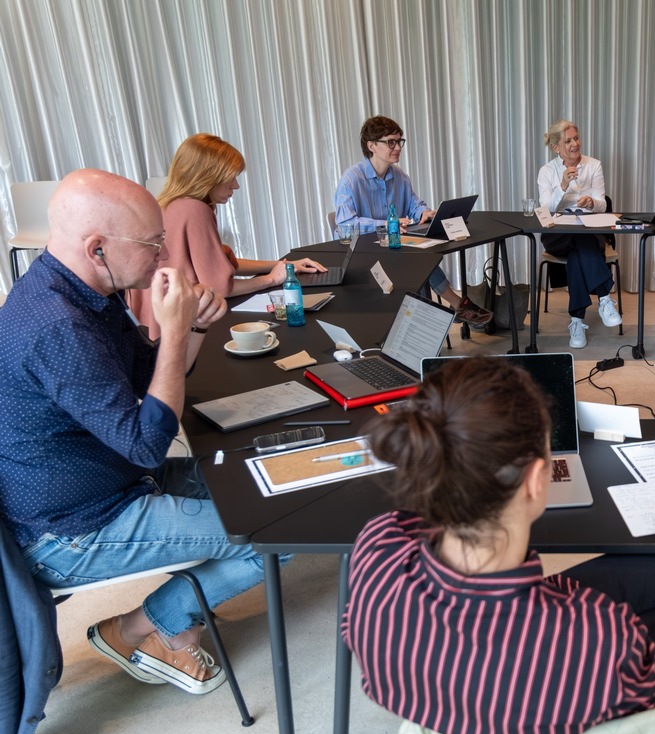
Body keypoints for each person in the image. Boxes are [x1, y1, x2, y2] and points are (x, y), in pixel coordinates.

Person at [343, 357, 655, 734]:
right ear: (536, 480)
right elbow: (640, 694)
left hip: (454, 691)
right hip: (558, 730)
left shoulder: (377, 548)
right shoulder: (599, 640)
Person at [0, 169, 276, 695]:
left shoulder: (86, 291)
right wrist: (174, 330)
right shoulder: (56, 325)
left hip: (112, 483)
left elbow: (151, 377)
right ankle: (141, 629)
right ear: (97, 248)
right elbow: (149, 443)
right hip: (73, 530)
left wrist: (194, 326)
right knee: (274, 528)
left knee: (262, 484)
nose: (164, 255)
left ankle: (158, 626)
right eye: (152, 243)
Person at [127, 133, 327, 340]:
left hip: (152, 325)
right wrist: (271, 279)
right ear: (208, 176)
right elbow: (220, 287)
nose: (235, 185)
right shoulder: (195, 209)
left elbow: (216, 264)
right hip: (183, 326)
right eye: (230, 177)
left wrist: (281, 265)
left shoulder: (166, 205)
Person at [334, 116, 492, 325]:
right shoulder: (351, 179)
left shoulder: (399, 176)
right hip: (362, 253)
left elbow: (414, 205)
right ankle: (456, 306)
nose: (398, 147)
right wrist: (385, 224)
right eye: (391, 142)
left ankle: (443, 314)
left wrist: (423, 213)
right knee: (416, 257)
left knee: (421, 255)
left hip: (394, 248)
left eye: (399, 141)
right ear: (371, 146)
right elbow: (345, 224)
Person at [536, 119, 622, 349]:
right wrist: (562, 187)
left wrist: (592, 202)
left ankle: (576, 321)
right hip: (557, 234)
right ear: (556, 147)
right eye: (568, 141)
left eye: (576, 138)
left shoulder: (594, 165)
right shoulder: (547, 171)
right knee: (579, 238)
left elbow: (603, 204)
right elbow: (546, 210)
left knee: (578, 251)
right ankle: (604, 297)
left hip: (588, 232)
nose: (575, 144)